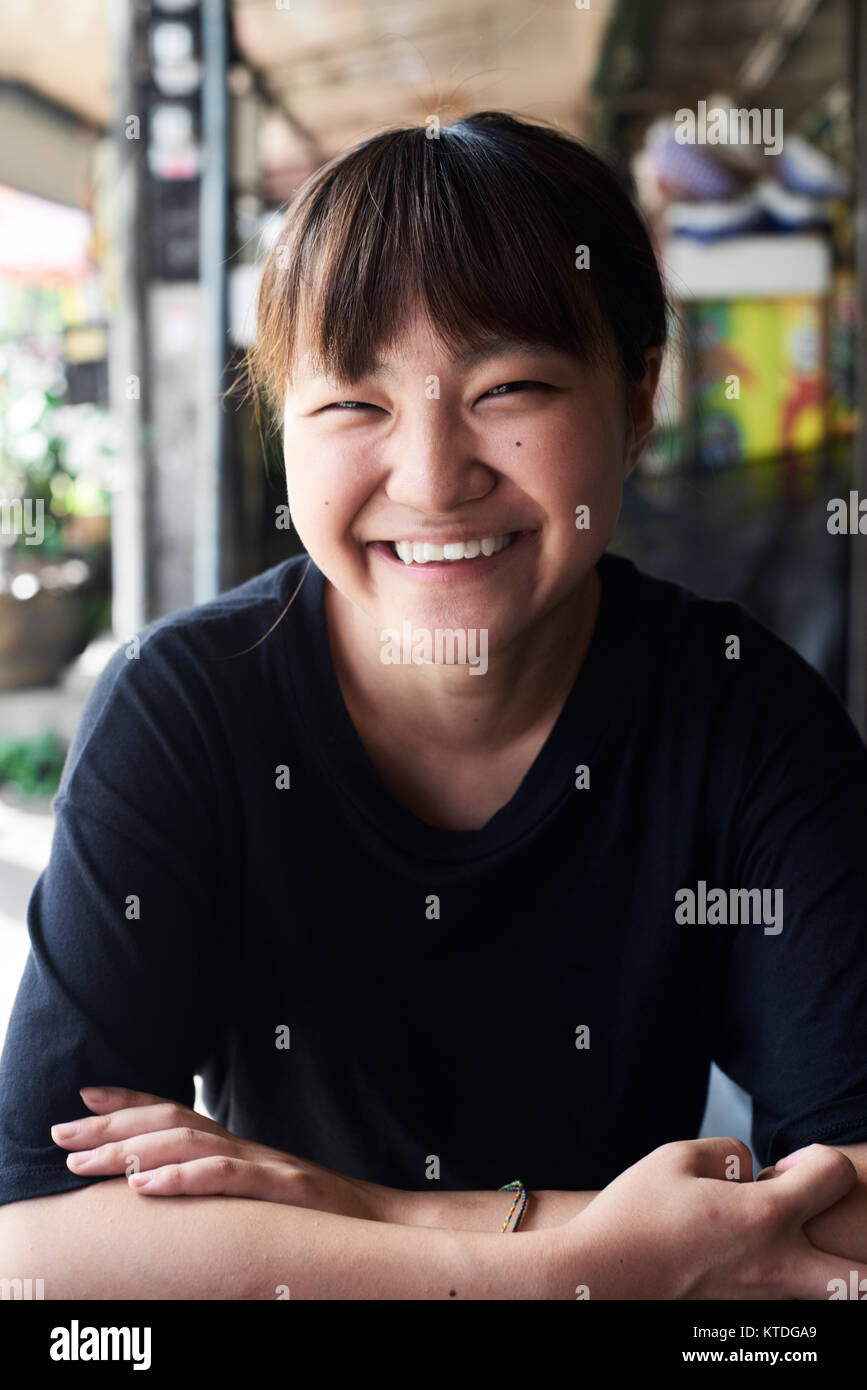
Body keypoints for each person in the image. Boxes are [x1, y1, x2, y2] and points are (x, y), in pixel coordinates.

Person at [1, 111, 866, 1301]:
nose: (431, 479)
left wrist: (371, 1208)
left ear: (638, 399)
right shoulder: (186, 704)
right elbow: (40, 1243)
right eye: (356, 403)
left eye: (509, 386)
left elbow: (844, 1225)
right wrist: (591, 1262)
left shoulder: (741, 707)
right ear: (281, 425)